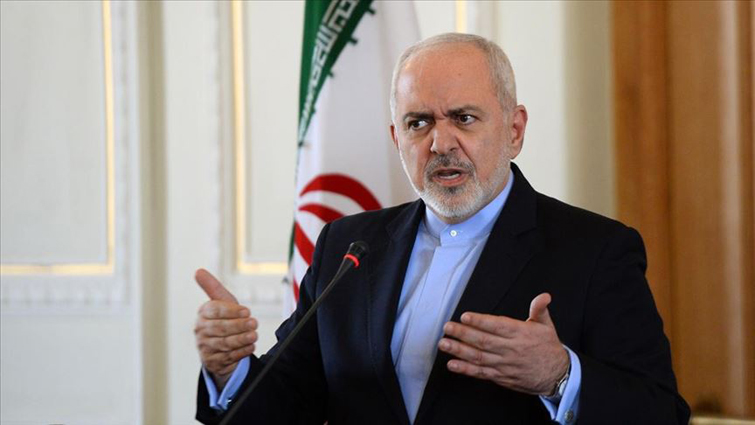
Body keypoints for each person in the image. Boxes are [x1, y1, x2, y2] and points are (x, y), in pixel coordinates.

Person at [194, 33, 690, 425]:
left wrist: (560, 376)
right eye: (419, 123)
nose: (440, 143)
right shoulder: (347, 247)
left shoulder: (596, 250)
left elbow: (661, 413)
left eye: (464, 118)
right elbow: (288, 402)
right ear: (397, 138)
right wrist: (228, 370)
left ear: (514, 130)